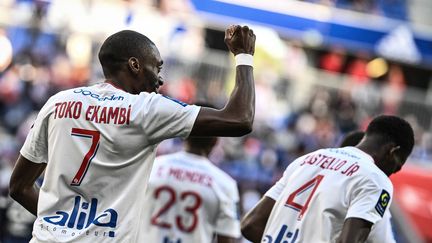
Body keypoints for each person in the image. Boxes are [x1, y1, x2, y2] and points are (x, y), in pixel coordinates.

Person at [9, 25, 256, 243]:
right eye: (157, 67)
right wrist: (244, 56)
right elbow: (240, 119)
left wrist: (59, 227)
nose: (160, 79)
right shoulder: (146, 109)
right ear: (135, 65)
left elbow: (19, 187)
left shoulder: (57, 103)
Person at [241, 115, 414, 243]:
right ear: (393, 151)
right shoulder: (375, 179)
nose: (392, 173)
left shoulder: (307, 159)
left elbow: (250, 224)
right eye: (397, 166)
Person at [142, 108, 240, 243]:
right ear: (215, 141)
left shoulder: (152, 167)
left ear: (183, 133)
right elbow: (228, 239)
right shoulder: (225, 184)